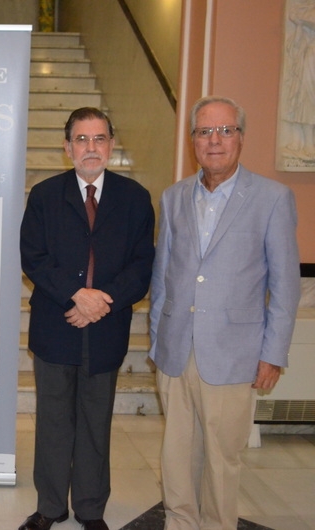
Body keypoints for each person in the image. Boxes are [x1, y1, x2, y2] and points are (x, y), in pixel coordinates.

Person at [149, 95, 301, 529]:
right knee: (177, 454)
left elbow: (285, 285)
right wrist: (159, 339)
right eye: (204, 132)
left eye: (225, 130)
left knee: (221, 458)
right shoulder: (174, 196)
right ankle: (181, 522)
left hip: (235, 353)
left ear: (240, 137)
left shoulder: (272, 198)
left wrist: (273, 354)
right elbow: (164, 276)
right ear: (193, 140)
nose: (214, 141)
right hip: (178, 349)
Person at [19, 107, 155, 530]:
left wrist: (103, 301)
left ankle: (91, 509)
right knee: (54, 421)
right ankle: (51, 507)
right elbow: (33, 258)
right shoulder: (44, 195)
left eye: (99, 139)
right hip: (55, 325)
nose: (90, 148)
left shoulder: (135, 198)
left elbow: (142, 264)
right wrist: (77, 294)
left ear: (111, 146)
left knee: (96, 422)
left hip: (107, 328)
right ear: (67, 147)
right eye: (81, 139)